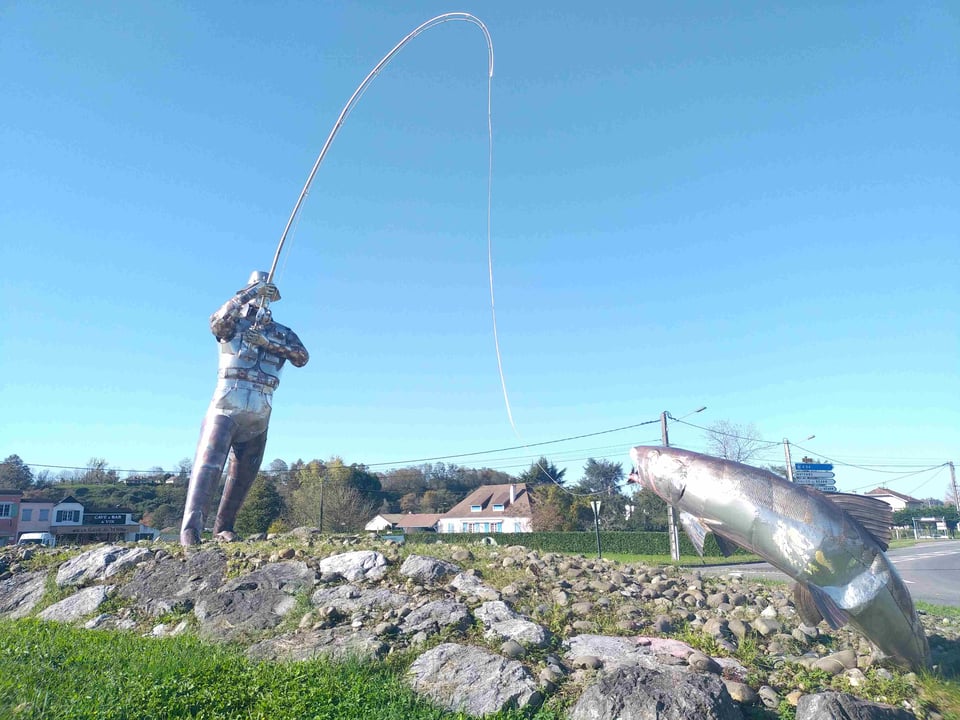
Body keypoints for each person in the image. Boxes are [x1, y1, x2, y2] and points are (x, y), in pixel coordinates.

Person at [180, 271, 309, 546]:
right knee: (208, 467)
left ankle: (224, 527)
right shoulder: (234, 325)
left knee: (243, 477)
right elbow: (216, 321)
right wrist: (248, 293)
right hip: (226, 405)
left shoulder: (281, 333)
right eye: (256, 292)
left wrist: (268, 344)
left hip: (261, 410)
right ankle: (190, 530)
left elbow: (302, 357)